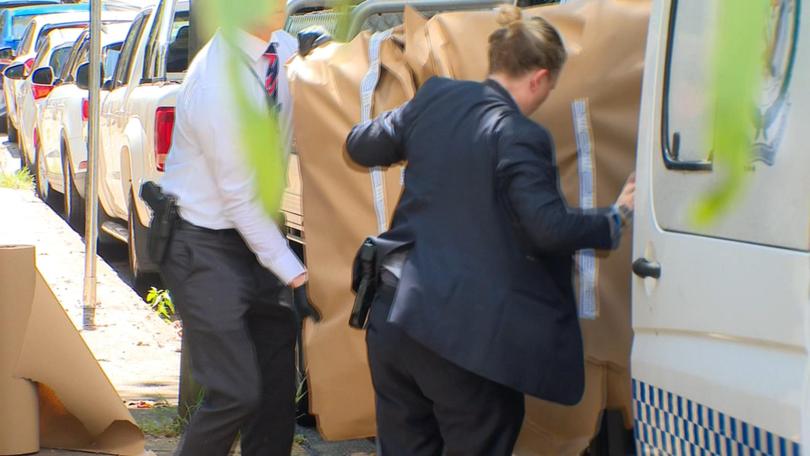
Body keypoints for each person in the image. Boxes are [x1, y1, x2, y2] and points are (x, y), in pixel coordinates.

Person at [345, 5, 635, 455]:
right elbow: (547, 228)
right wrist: (613, 218)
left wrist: (418, 136)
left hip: (394, 321)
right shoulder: (518, 133)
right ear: (539, 77)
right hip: (465, 342)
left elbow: (359, 145)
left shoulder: (434, 98)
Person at [158, 4, 314, 456]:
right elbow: (239, 200)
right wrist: (295, 273)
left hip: (256, 235)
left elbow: (291, 52)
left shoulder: (273, 49)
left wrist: (312, 51)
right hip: (204, 244)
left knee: (275, 389)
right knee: (236, 392)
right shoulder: (217, 85)